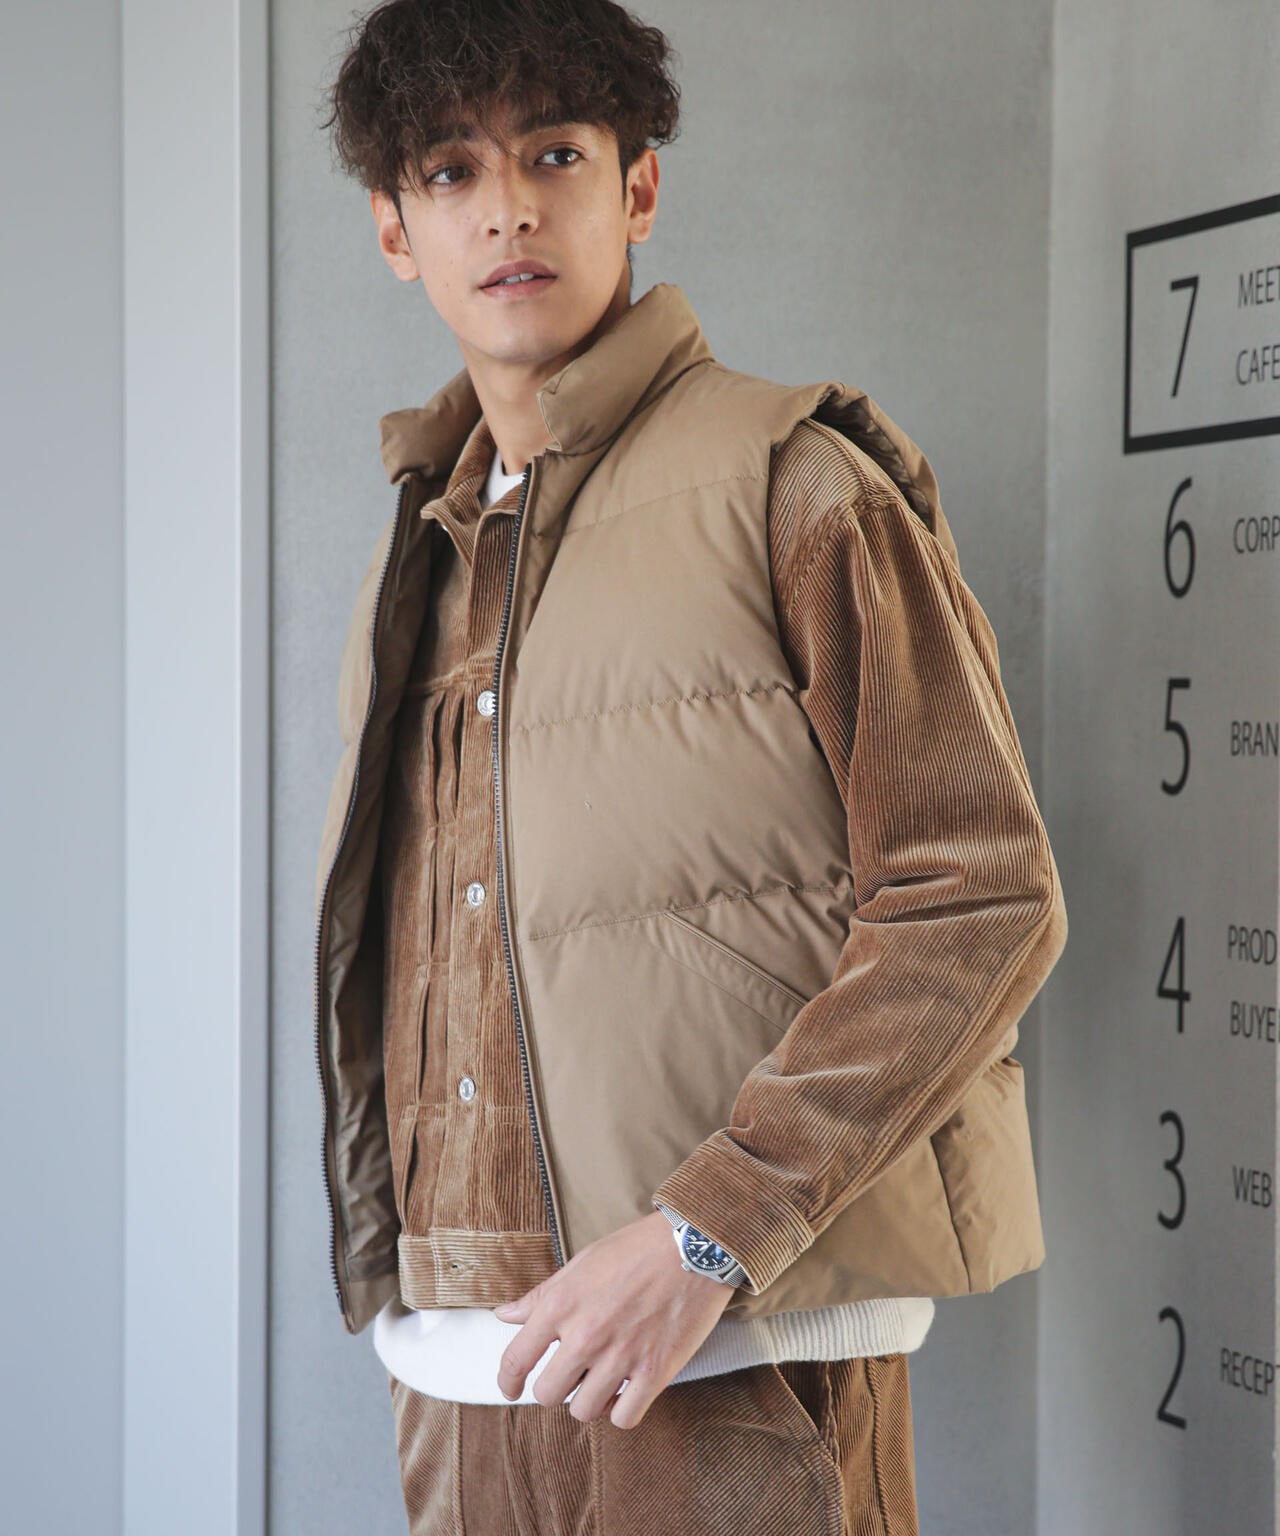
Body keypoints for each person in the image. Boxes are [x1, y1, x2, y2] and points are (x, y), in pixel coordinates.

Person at [312, 2, 1069, 1531]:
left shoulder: (799, 485)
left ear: (637, 187)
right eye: (451, 172)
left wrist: (707, 1236)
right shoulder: (422, 547)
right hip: (458, 1392)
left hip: (733, 1372)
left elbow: (981, 899)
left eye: (554, 154)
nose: (508, 207)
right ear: (396, 229)